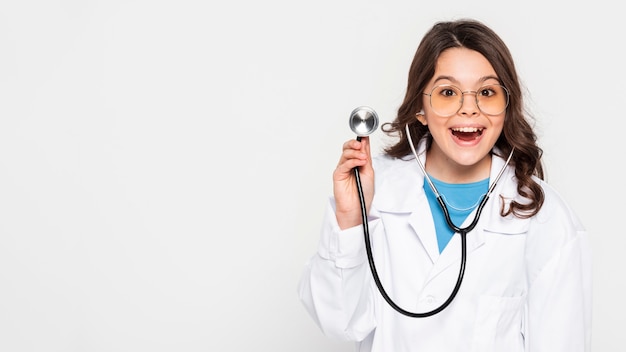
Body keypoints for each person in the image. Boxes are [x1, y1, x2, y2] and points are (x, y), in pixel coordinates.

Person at [297, 18, 591, 351]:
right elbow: (338, 323)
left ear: (506, 107)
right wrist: (351, 219)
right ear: (420, 108)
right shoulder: (374, 191)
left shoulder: (546, 217)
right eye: (448, 92)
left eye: (487, 92)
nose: (469, 109)